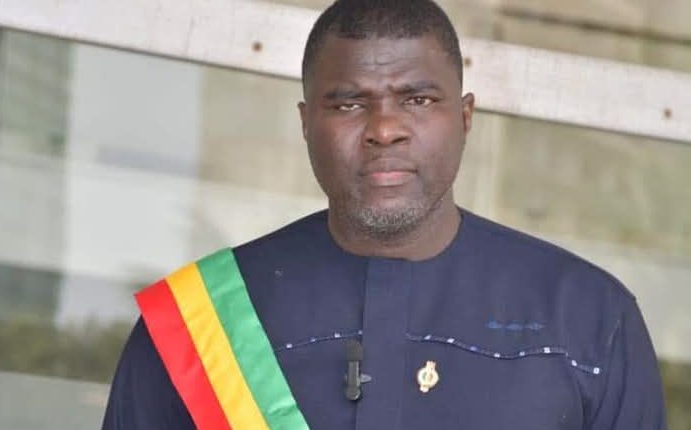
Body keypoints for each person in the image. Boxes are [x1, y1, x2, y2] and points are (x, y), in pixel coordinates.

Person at [102, 0, 667, 429]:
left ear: (465, 117)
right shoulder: (196, 328)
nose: (384, 129)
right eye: (349, 103)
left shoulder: (587, 319)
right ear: (305, 123)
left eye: (418, 100)